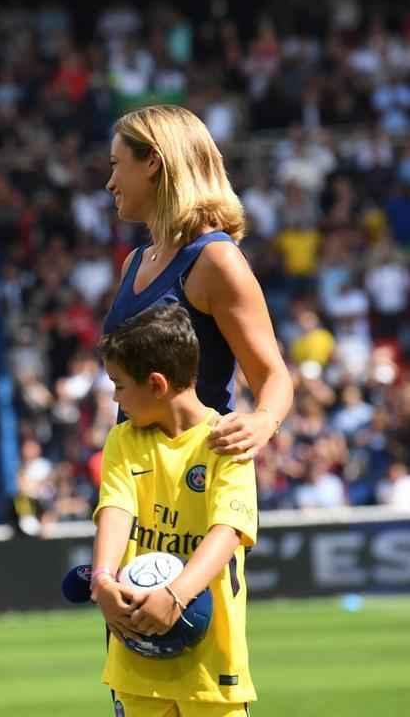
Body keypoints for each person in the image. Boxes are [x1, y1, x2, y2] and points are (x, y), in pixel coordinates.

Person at [91, 304, 258, 717]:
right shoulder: (123, 439)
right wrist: (102, 580)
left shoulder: (227, 440)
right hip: (136, 663)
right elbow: (115, 507)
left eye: (119, 385)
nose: (115, 397)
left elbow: (229, 530)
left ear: (156, 384)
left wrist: (175, 596)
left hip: (212, 666)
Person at [103, 105, 293, 460]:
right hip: (134, 478)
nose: (110, 182)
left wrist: (263, 421)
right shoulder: (134, 262)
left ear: (153, 161)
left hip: (197, 478)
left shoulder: (216, 260)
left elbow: (273, 375)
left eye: (116, 164)